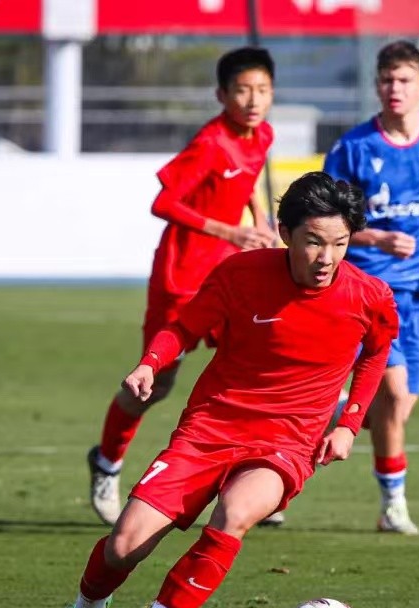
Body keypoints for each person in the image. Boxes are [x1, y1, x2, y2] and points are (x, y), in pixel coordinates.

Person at [45, 171, 399, 608]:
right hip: (210, 428)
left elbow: (376, 352)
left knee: (233, 513)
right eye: (314, 242)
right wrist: (149, 364)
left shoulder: (370, 296)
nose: (327, 257)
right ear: (285, 233)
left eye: (340, 244)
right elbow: (184, 327)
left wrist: (348, 423)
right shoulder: (240, 274)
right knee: (123, 546)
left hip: (288, 441)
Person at [87, 46, 278, 526]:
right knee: (154, 384)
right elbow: (164, 203)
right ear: (221, 95)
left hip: (229, 276)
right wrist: (230, 230)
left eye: (262, 90)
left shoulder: (262, 134)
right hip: (182, 278)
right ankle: (107, 462)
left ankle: (250, 482)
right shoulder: (210, 143)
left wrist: (260, 218)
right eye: (242, 90)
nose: (253, 100)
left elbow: (248, 177)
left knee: (249, 368)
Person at [321, 39, 419, 535]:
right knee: (390, 394)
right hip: (369, 292)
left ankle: (321, 416)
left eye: (405, 79)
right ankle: (394, 505)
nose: (396, 88)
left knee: (393, 410)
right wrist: (374, 237)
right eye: (388, 80)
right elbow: (326, 220)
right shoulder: (354, 147)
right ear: (377, 85)